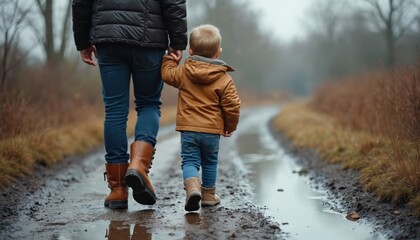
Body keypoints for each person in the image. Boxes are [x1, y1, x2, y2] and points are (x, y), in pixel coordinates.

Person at [72, 0, 187, 209]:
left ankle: (117, 190)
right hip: (149, 39)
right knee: (149, 104)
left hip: (109, 38)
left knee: (115, 111)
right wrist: (178, 40)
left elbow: (81, 2)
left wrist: (83, 41)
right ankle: (138, 165)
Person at [161, 24, 241, 211]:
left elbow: (167, 75)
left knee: (190, 161)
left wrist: (169, 60)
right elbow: (233, 105)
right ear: (218, 53)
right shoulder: (224, 79)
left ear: (190, 50)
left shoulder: (184, 72)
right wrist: (230, 126)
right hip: (212, 131)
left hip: (189, 129)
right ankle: (209, 196)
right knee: (210, 162)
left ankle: (192, 188)